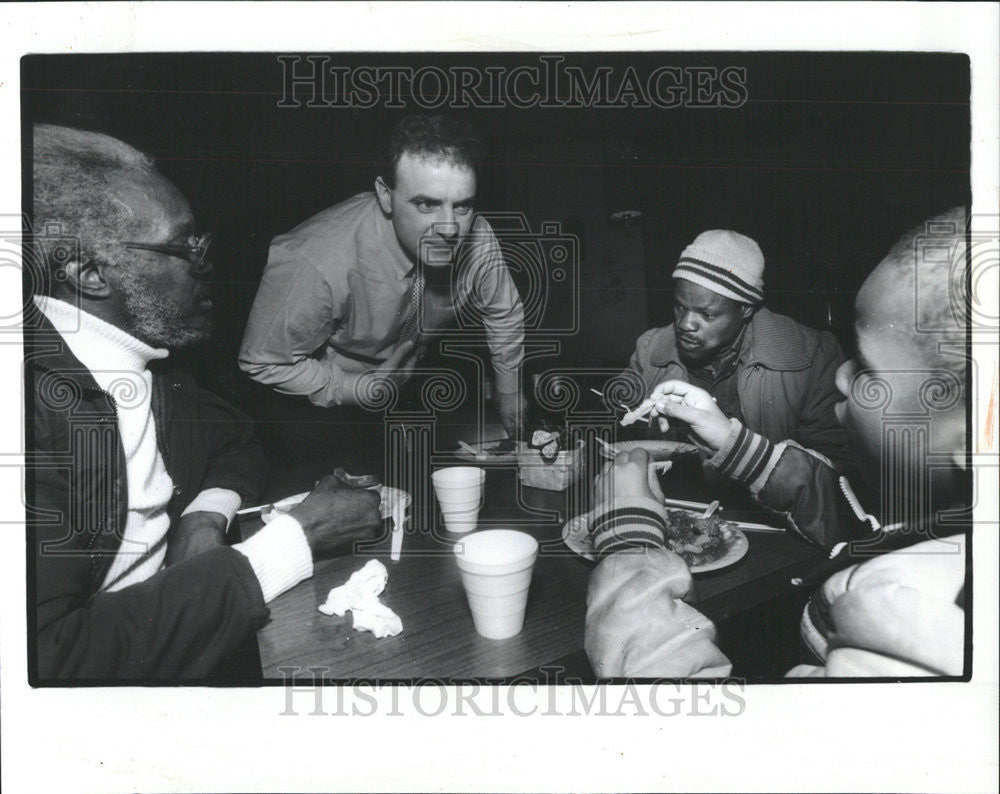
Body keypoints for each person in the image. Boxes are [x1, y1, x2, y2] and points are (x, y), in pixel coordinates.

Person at [27, 124, 383, 681]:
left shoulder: (154, 370)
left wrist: (202, 515)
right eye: (182, 246)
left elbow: (236, 438)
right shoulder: (29, 414)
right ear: (91, 274)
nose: (205, 263)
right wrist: (298, 539)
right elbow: (52, 659)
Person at [586, 208, 969, 678]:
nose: (844, 377)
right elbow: (858, 521)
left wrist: (629, 539)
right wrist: (727, 437)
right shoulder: (937, 531)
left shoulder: (907, 614)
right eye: (679, 306)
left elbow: (680, 706)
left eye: (867, 368)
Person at [239, 114, 527, 468]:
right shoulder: (313, 261)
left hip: (406, 382)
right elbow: (263, 363)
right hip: (316, 406)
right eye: (427, 204)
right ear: (385, 195)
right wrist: (358, 389)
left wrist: (508, 388)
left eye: (462, 205)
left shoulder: (478, 238)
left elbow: (503, 310)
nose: (450, 228)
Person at [619, 229, 852, 474]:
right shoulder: (649, 350)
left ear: (745, 310)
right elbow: (624, 431)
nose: (685, 324)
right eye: (679, 306)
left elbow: (839, 472)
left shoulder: (813, 356)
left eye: (707, 314)